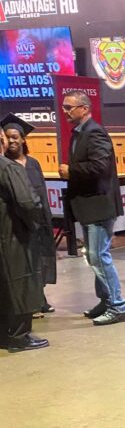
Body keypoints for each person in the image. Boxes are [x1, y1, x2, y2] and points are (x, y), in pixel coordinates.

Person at [59, 92, 125, 324]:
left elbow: (100, 167)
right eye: (64, 107)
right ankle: (106, 300)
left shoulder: (94, 132)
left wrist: (72, 171)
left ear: (84, 108)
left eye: (69, 107)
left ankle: (118, 305)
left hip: (99, 204)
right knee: (94, 256)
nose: (65, 111)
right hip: (90, 205)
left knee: (98, 256)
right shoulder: (79, 133)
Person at [2, 114, 57, 313]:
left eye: (16, 136)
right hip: (18, 224)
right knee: (23, 264)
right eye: (8, 137)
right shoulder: (6, 166)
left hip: (40, 220)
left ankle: (39, 297)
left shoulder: (33, 163)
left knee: (40, 259)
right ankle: (27, 303)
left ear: (24, 139)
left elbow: (41, 192)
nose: (12, 140)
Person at [0, 131, 48, 352]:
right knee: (21, 281)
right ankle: (19, 336)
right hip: (13, 234)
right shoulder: (8, 167)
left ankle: (3, 336)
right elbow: (27, 202)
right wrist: (34, 224)